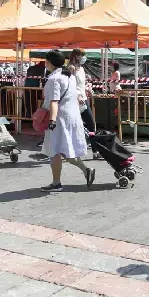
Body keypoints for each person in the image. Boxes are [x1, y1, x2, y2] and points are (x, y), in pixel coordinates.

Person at [39, 49, 96, 192]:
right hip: (72, 116)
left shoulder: (54, 79)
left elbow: (53, 101)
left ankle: (56, 183)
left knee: (55, 151)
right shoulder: (69, 76)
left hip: (59, 118)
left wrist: (51, 120)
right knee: (65, 150)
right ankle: (86, 170)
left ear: (50, 63)